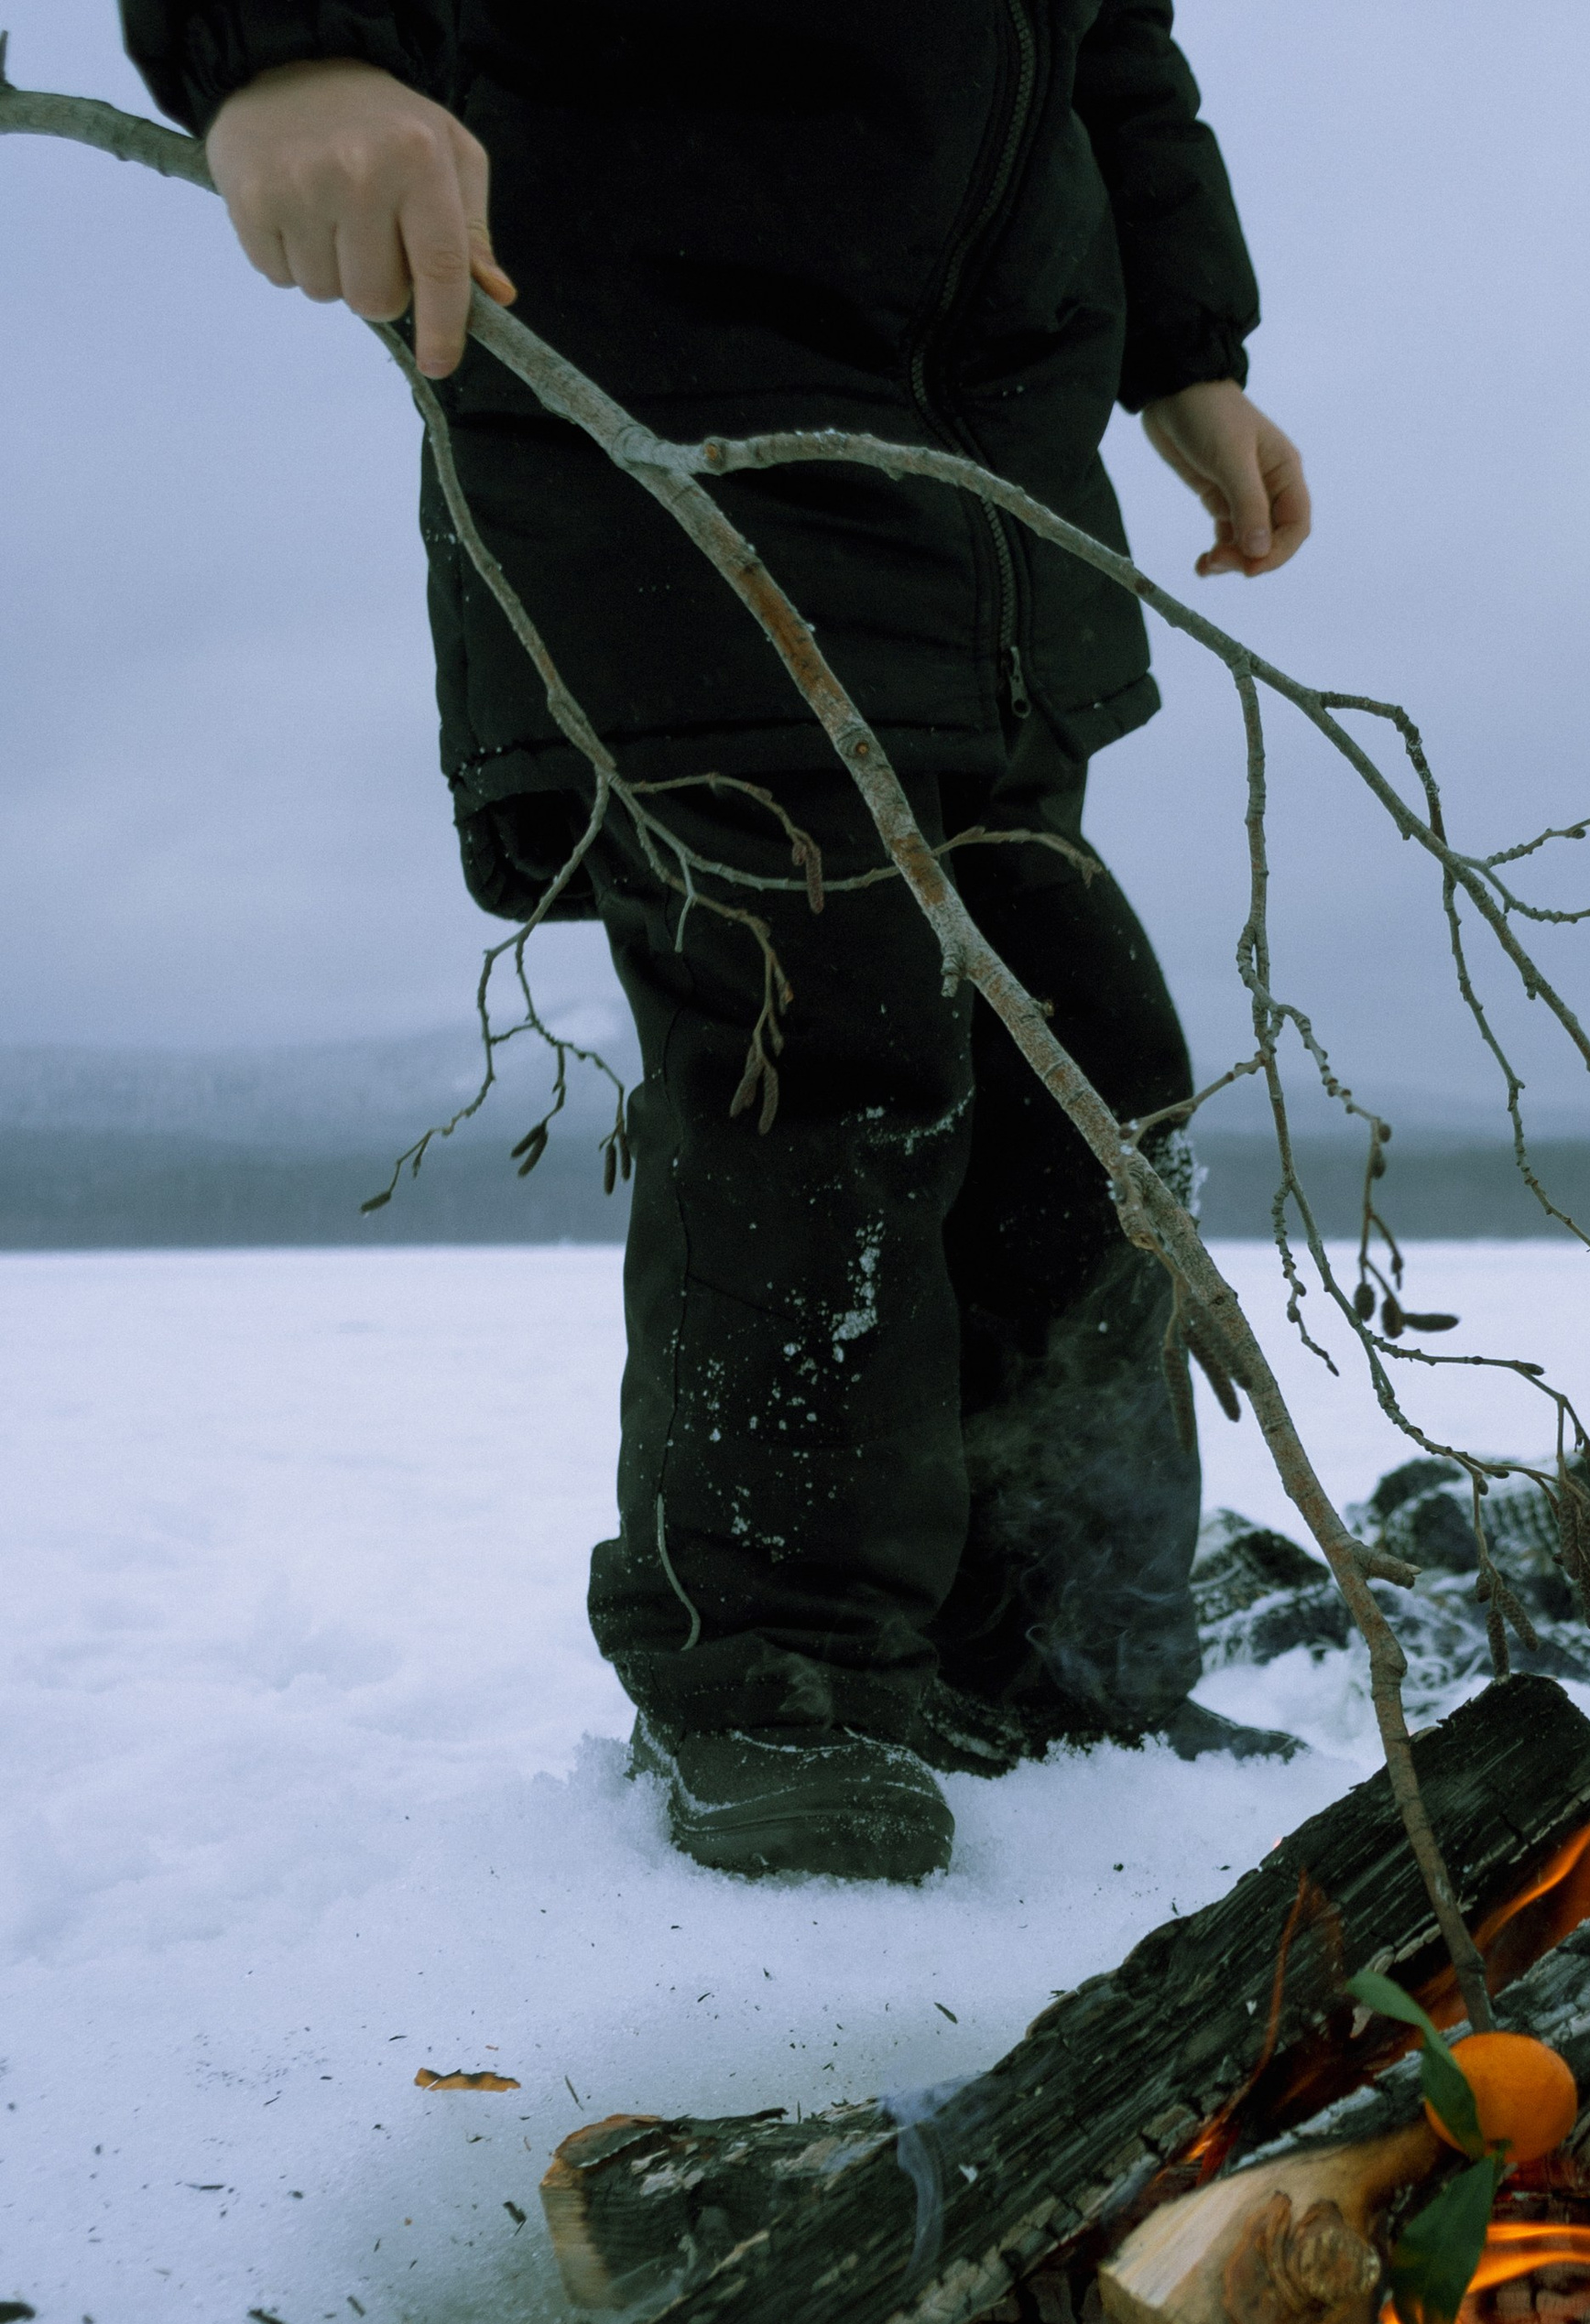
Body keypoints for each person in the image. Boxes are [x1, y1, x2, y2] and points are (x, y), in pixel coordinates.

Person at [122, 5, 1312, 1881]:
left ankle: (1068, 1664)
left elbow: (1112, 50)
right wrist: (286, 50)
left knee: (1080, 1066)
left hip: (994, 491)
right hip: (664, 429)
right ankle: (777, 1684)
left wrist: (1188, 349)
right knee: (814, 1040)